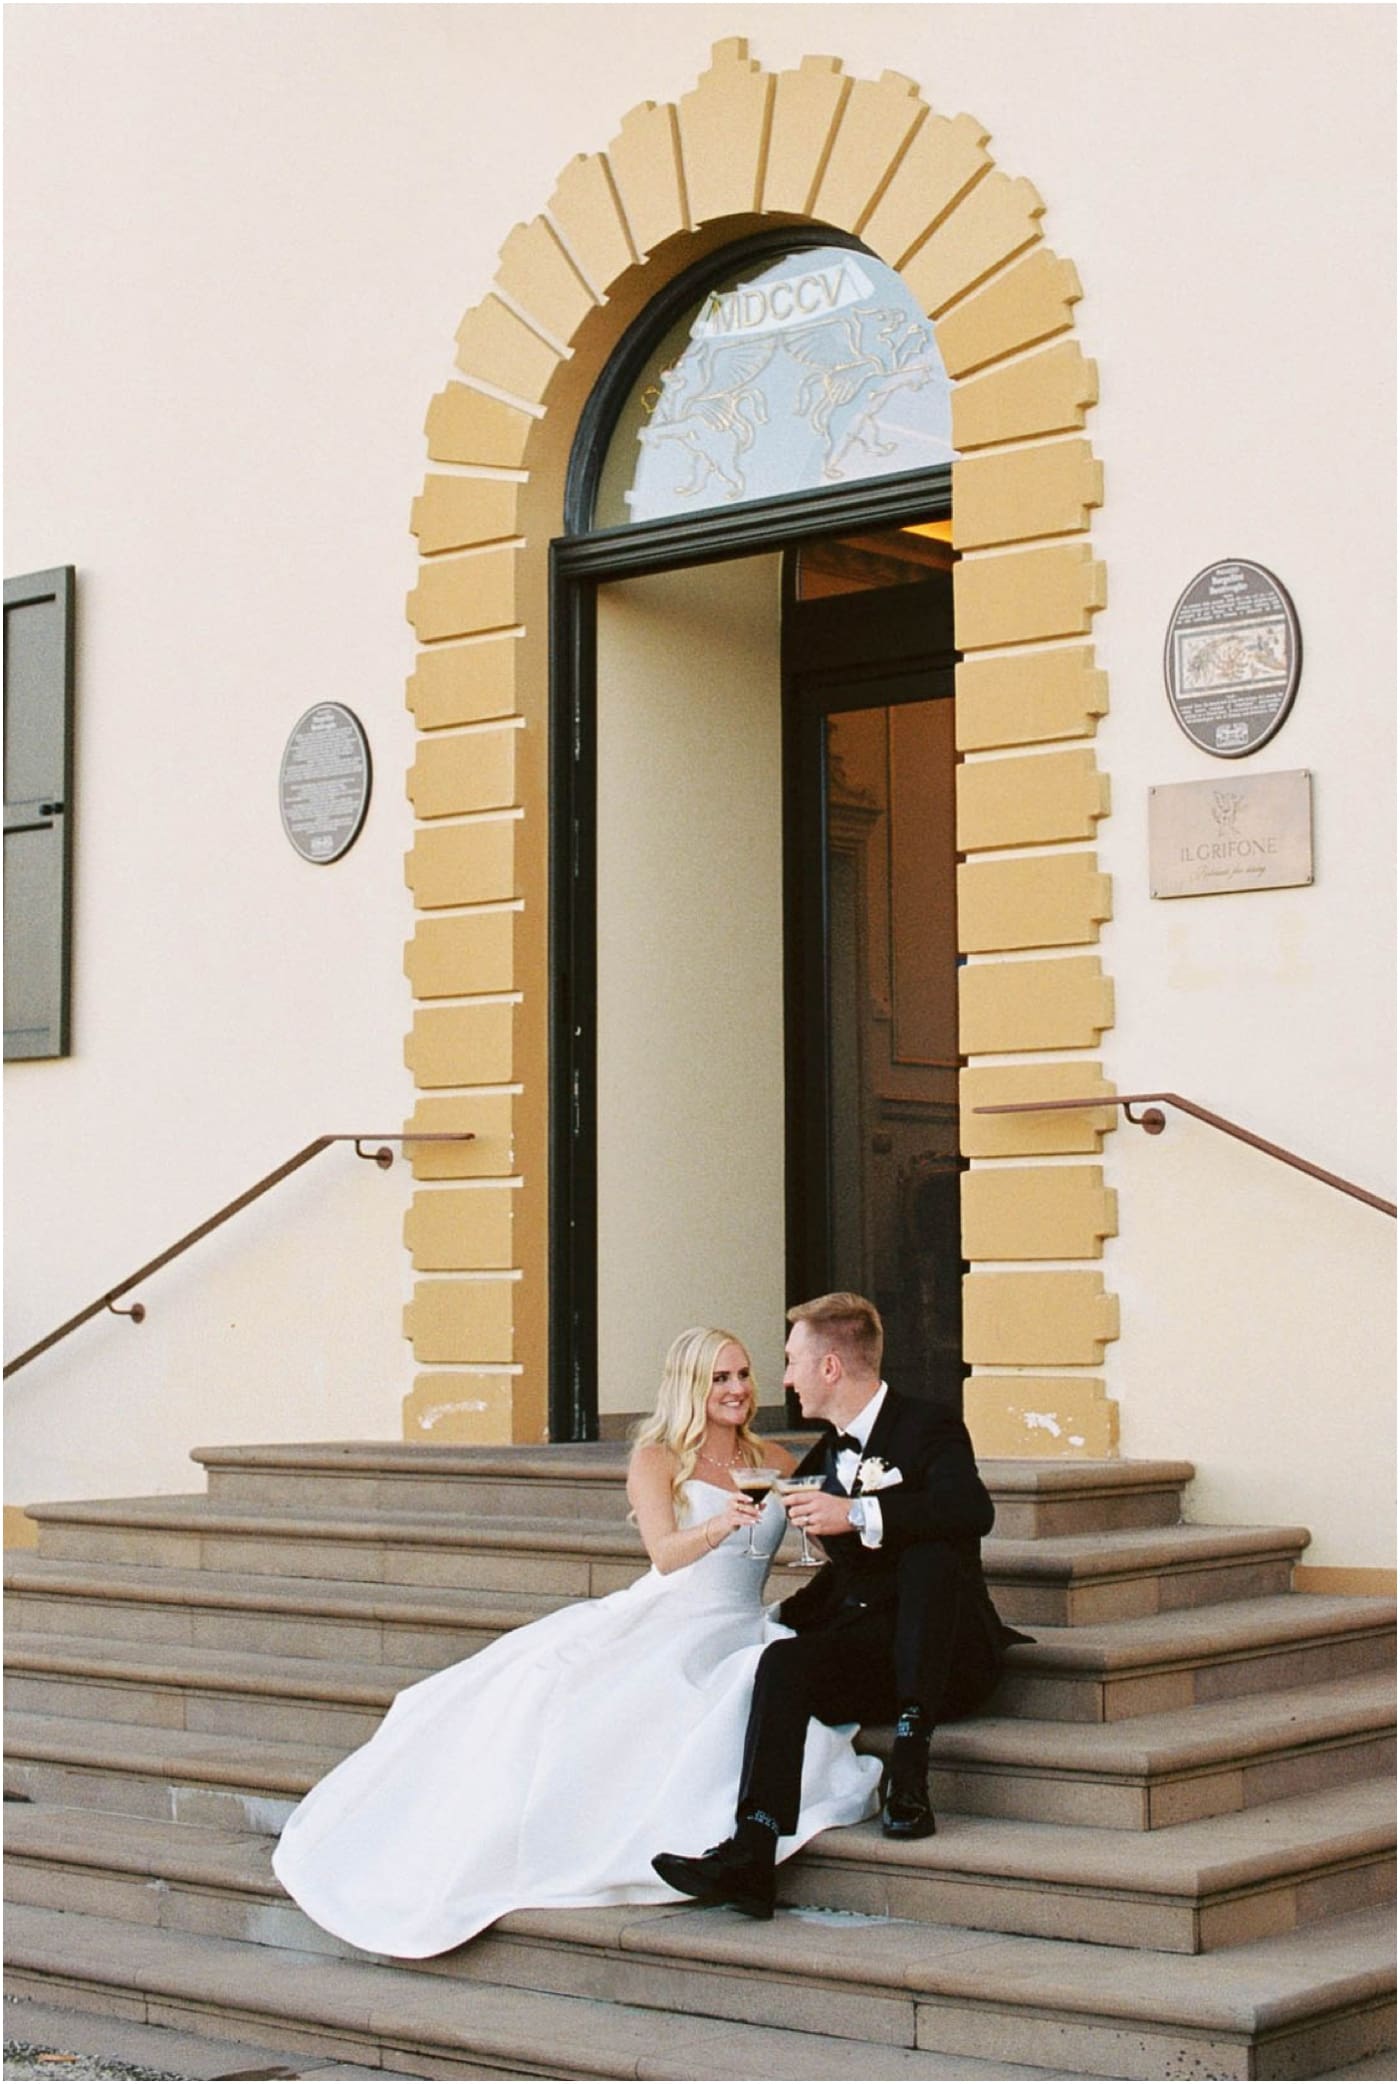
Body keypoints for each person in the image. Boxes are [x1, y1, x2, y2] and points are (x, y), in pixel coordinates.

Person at [271, 1326, 881, 1958]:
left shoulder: (777, 1461)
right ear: (690, 1387)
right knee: (563, 1694)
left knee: (753, 1687)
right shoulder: (658, 1458)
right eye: (719, 1379)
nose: (737, 1390)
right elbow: (666, 1556)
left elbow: (830, 1520)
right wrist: (721, 1524)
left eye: (744, 1375)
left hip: (741, 1621)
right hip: (672, 1613)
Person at [652, 1290, 1027, 1920]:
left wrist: (857, 1512)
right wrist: (774, 1621)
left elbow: (972, 1512)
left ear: (830, 1368)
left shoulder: (929, 1425)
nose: (785, 1378)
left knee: (933, 1555)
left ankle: (909, 1774)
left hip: (952, 1659)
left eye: (794, 1361)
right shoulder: (825, 1457)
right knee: (782, 1665)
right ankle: (753, 1849)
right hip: (878, 1649)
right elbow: (840, 1582)